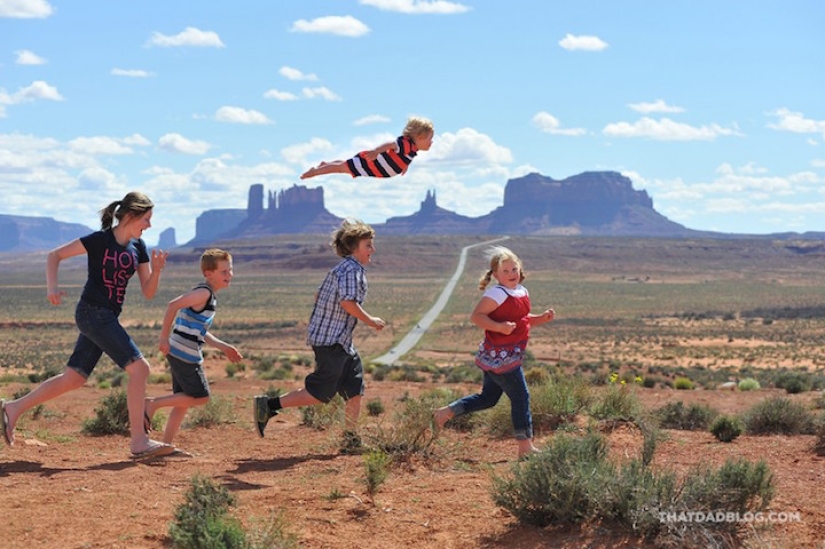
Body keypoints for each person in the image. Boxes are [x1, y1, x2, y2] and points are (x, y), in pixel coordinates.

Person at [0, 192, 174, 458]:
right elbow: (54, 256)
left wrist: (158, 270)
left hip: (106, 317)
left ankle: (12, 409)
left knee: (74, 378)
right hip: (92, 312)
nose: (149, 225)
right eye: (147, 218)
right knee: (140, 369)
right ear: (131, 215)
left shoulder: (138, 247)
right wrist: (52, 288)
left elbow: (148, 292)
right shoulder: (100, 240)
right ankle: (139, 440)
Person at [253, 219, 386, 452]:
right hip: (330, 342)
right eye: (368, 245)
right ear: (355, 247)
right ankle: (268, 405)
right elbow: (347, 302)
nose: (372, 250)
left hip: (341, 341)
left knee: (355, 389)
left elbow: (319, 296)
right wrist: (370, 320)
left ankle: (351, 440)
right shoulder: (350, 271)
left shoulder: (344, 269)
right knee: (319, 394)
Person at [433, 246, 555, 459]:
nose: (511, 274)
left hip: (501, 356)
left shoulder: (521, 291)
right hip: (502, 359)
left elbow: (522, 320)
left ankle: (445, 413)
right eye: (505, 271)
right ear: (496, 275)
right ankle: (525, 448)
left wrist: (541, 318)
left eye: (514, 269)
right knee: (521, 397)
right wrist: (499, 327)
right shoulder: (497, 293)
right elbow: (477, 317)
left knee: (488, 398)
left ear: (520, 270)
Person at [143, 248, 243, 447]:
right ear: (208, 274)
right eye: (224, 272)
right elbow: (173, 305)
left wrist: (223, 347)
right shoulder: (203, 293)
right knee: (201, 397)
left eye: (230, 270)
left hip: (181, 352)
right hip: (184, 355)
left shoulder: (208, 296)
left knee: (184, 401)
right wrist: (163, 338)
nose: (229, 275)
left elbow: (200, 332)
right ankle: (152, 404)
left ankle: (166, 446)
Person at [300, 116, 434, 180]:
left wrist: (405, 166)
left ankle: (326, 164)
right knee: (341, 168)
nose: (431, 142)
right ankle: (315, 172)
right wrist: (376, 151)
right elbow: (390, 144)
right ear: (419, 136)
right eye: (429, 138)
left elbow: (404, 157)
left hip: (374, 167)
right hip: (371, 164)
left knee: (345, 165)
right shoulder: (406, 144)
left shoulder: (411, 149)